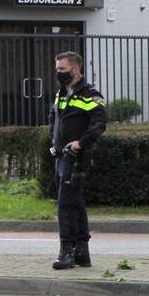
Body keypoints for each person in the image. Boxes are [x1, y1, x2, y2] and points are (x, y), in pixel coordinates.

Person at [48, 51, 107, 270]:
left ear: (75, 70)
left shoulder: (89, 94)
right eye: (57, 69)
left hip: (75, 157)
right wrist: (52, 141)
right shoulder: (62, 93)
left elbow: (100, 123)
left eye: (61, 70)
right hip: (60, 155)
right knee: (75, 201)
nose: (58, 73)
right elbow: (54, 117)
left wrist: (80, 144)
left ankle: (67, 252)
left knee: (66, 203)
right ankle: (82, 252)